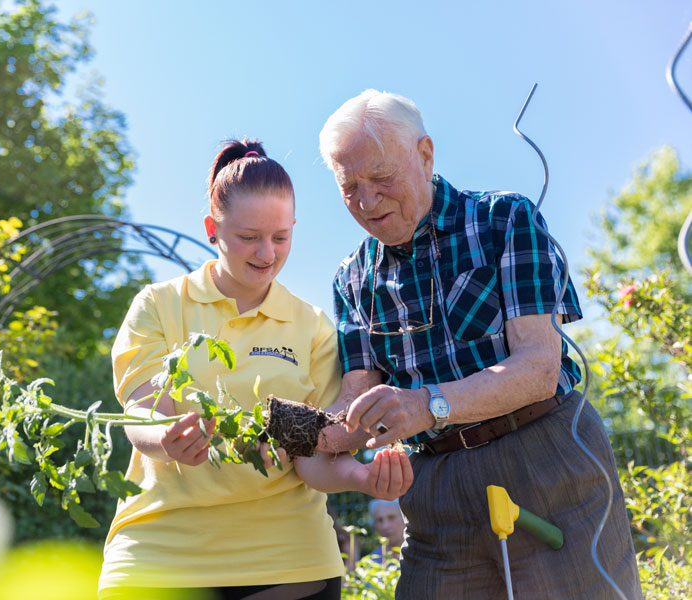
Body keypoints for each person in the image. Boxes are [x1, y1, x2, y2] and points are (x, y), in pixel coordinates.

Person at [314, 90, 643, 599]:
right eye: (348, 186)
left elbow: (537, 368)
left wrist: (427, 404)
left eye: (381, 178)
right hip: (436, 490)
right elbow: (354, 404)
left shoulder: (504, 221)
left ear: (425, 155)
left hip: (546, 462)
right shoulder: (353, 278)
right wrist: (283, 432)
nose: (367, 200)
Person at [97, 138, 413, 600]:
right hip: (159, 556)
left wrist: (363, 478)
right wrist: (166, 438)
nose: (267, 253)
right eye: (249, 237)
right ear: (212, 229)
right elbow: (141, 410)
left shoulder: (313, 327)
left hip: (288, 561)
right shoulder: (160, 305)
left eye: (280, 237)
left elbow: (315, 458)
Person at [366, 498, 405, 563]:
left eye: (391, 517)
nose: (385, 526)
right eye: (379, 520)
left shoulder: (423, 554)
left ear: (405, 519)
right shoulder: (371, 563)